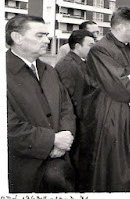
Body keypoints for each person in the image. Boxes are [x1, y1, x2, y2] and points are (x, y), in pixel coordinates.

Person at [83, 7, 130, 192]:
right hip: (112, 116)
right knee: (118, 170)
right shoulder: (100, 50)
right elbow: (118, 86)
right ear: (122, 27)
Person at [6, 15, 76, 192]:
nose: (47, 40)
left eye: (47, 35)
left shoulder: (49, 70)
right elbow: (8, 126)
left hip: (58, 162)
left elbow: (66, 107)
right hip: (21, 168)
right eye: (40, 35)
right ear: (17, 38)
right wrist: (51, 140)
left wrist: (66, 135)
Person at [54, 29, 96, 187]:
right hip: (78, 124)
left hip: (86, 121)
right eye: (90, 45)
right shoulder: (66, 65)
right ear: (78, 46)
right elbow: (67, 99)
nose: (94, 48)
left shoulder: (81, 62)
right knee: (78, 161)